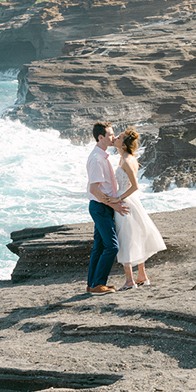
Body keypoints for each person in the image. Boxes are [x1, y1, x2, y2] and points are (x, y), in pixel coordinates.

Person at [111, 128, 166, 289]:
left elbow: (135, 186)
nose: (115, 138)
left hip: (125, 201)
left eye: (119, 137)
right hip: (130, 200)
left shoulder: (127, 160)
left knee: (126, 238)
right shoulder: (125, 157)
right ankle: (142, 276)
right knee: (135, 236)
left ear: (125, 144)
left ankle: (130, 281)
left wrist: (118, 199)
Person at [85, 121, 128, 294]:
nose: (113, 137)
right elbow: (94, 189)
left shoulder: (101, 155)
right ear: (101, 137)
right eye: (110, 134)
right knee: (112, 247)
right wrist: (114, 205)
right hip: (100, 206)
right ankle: (98, 284)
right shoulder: (97, 159)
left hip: (101, 206)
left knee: (99, 247)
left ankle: (92, 284)